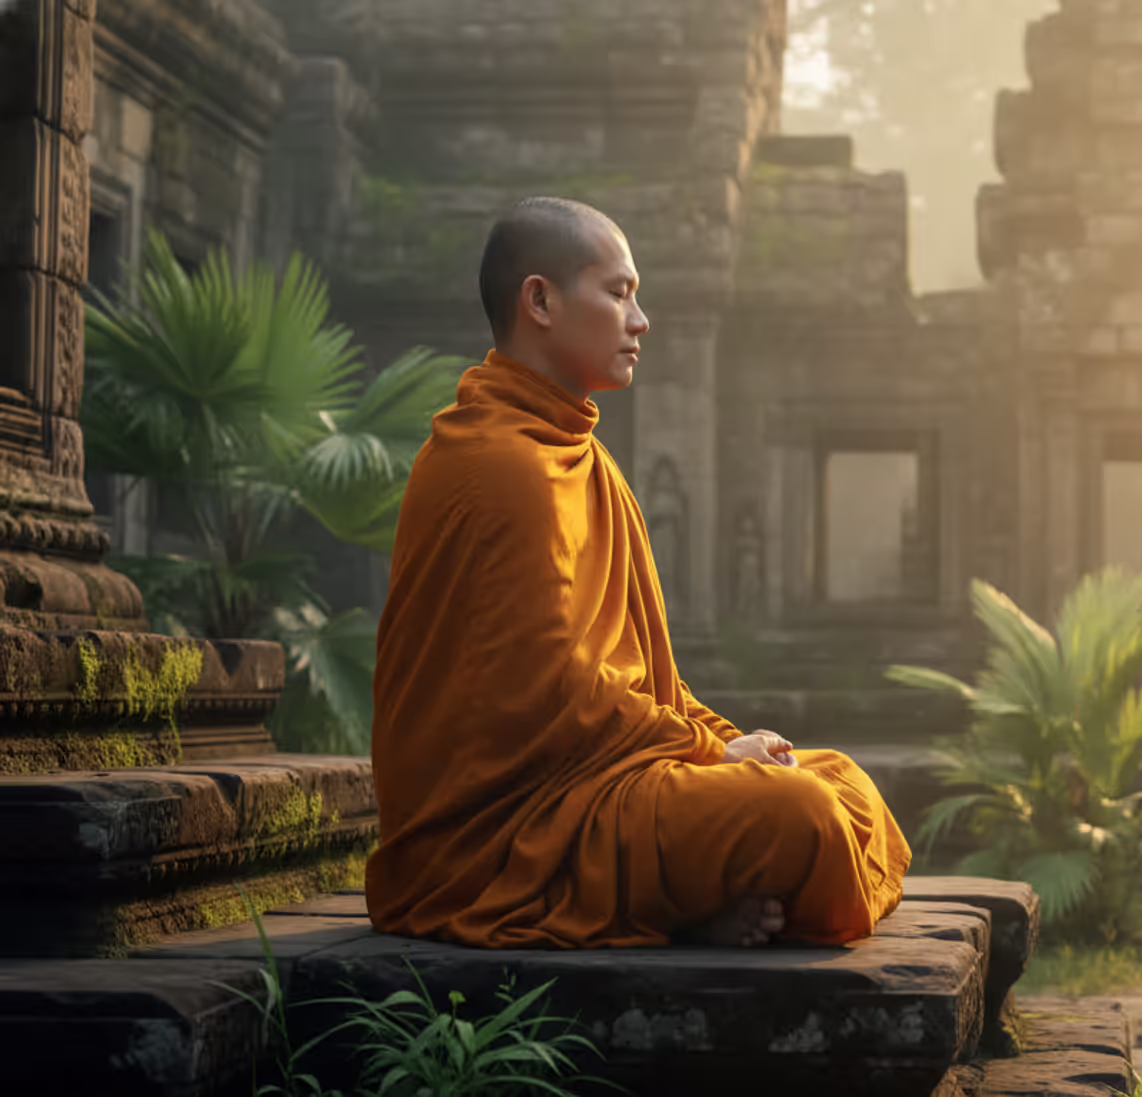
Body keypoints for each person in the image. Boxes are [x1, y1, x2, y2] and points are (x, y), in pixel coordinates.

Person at [365, 196, 911, 949]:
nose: (641, 318)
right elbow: (559, 694)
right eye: (618, 292)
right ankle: (678, 903)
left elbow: (649, 681)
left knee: (842, 781)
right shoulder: (499, 466)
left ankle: (679, 901)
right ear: (541, 301)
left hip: (605, 781)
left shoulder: (586, 462)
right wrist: (715, 756)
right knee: (803, 817)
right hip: (510, 830)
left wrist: (732, 741)